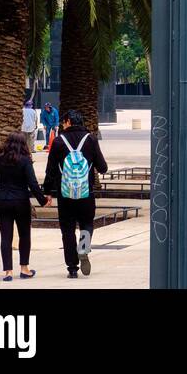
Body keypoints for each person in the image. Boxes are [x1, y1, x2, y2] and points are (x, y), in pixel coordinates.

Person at [44, 109, 108, 279]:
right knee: (86, 224)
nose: (62, 125)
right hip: (86, 193)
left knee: (67, 229)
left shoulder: (58, 141)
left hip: (65, 194)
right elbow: (103, 167)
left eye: (63, 122)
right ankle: (83, 248)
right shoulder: (91, 140)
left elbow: (50, 169)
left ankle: (72, 267)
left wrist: (47, 192)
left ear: (68, 122)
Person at [0, 131, 49, 282]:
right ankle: (24, 269)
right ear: (22, 144)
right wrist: (43, 200)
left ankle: (8, 272)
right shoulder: (25, 161)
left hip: (2, 201)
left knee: (6, 237)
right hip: (21, 201)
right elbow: (32, 184)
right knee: (24, 235)